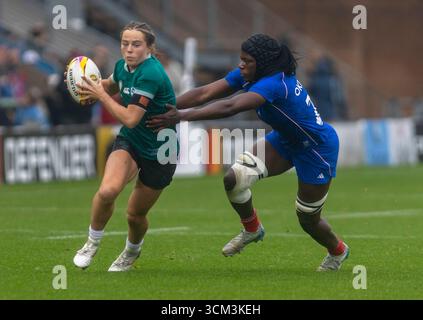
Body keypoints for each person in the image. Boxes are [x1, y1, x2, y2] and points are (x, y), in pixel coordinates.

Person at [147, 34, 349, 271]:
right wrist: (162, 106)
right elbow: (205, 93)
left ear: (261, 63)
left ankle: (338, 251)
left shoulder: (274, 83)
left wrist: (181, 116)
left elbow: (231, 106)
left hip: (316, 150)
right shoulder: (249, 75)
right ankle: (252, 229)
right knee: (233, 179)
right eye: (241, 59)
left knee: (308, 219)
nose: (241, 65)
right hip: (285, 140)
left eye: (247, 61)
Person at [71, 21, 178, 272]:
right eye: (125, 43)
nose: (129, 49)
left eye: (136, 44)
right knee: (108, 191)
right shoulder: (122, 66)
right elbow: (111, 84)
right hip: (131, 140)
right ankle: (91, 243)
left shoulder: (151, 73)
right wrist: (87, 86)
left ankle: (131, 252)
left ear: (149, 48)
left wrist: (101, 96)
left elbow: (130, 117)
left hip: (161, 149)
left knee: (134, 215)